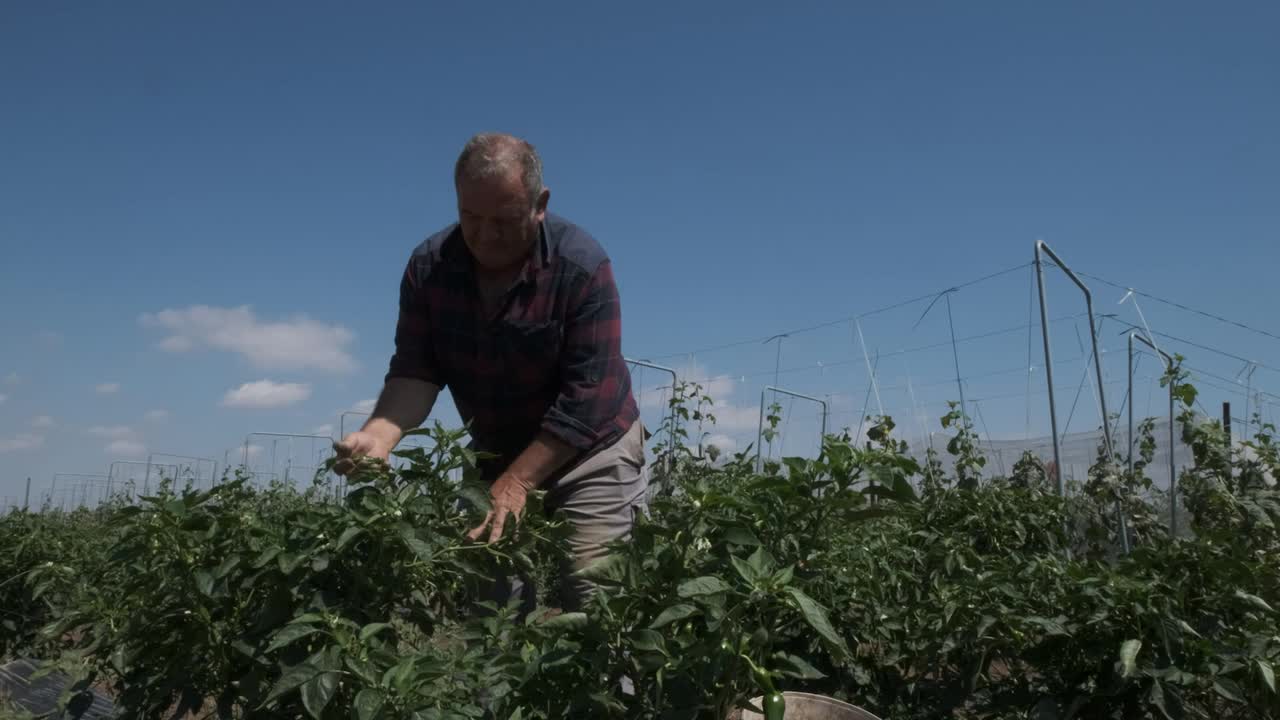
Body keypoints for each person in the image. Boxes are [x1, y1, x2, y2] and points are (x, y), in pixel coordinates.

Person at [333, 132, 647, 614]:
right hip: (497, 452)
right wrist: (381, 433)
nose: (484, 235)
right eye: (470, 217)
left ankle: (612, 684)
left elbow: (588, 398)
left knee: (596, 599)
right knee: (491, 601)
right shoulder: (430, 267)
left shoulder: (580, 265)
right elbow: (415, 371)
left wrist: (518, 482)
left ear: (539, 204)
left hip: (591, 447)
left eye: (503, 220)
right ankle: (500, 689)